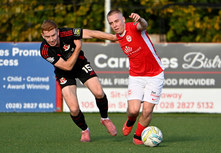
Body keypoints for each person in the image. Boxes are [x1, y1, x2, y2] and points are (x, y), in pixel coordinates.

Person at [40, 20, 117, 142]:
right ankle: (85, 130)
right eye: (48, 37)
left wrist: (113, 37)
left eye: (53, 35)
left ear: (58, 32)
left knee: (98, 92)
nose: (51, 39)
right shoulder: (44, 50)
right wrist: (78, 48)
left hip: (80, 65)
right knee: (74, 109)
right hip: (64, 72)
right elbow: (67, 67)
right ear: (43, 36)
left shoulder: (68, 33)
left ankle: (105, 118)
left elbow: (90, 33)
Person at [106, 10, 165, 145]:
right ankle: (131, 120)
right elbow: (99, 34)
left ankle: (138, 136)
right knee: (133, 111)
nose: (114, 25)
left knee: (147, 109)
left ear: (123, 19)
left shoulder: (133, 27)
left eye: (116, 21)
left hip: (155, 74)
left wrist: (140, 19)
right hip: (136, 76)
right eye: (111, 23)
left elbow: (143, 25)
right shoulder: (117, 36)